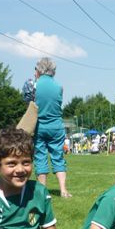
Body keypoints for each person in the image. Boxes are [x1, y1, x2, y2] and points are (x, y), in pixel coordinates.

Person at [33, 57, 71, 198]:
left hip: (40, 126)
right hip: (56, 127)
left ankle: (43, 192)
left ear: (39, 70)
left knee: (40, 158)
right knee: (58, 157)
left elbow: (30, 107)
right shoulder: (59, 87)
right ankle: (63, 190)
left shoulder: (33, 85)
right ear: (53, 71)